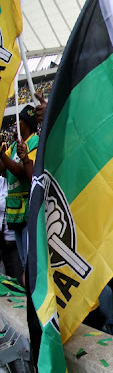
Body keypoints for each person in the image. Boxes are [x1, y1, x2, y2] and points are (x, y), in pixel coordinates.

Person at [0, 105, 39, 270]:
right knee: (24, 263)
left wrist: (1, 154)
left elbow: (24, 173)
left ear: (26, 122)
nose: (17, 123)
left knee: (29, 263)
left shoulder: (34, 142)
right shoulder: (15, 145)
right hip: (15, 210)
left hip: (27, 208)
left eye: (20, 120)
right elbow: (2, 169)